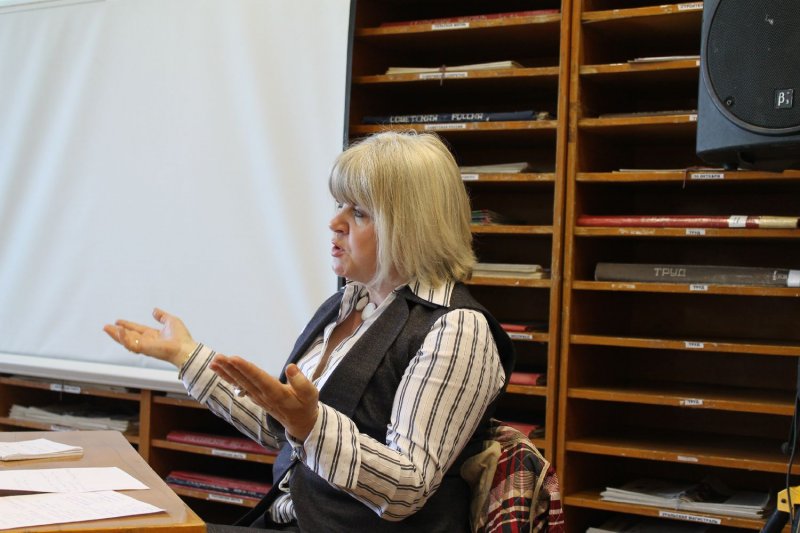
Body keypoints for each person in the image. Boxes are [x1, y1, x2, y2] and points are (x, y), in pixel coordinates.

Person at [104, 131, 515, 532]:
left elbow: (407, 487)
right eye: (339, 205)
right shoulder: (346, 304)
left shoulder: (457, 328)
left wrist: (311, 426)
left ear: (412, 227)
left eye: (359, 212)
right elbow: (278, 425)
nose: (334, 223)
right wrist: (184, 354)